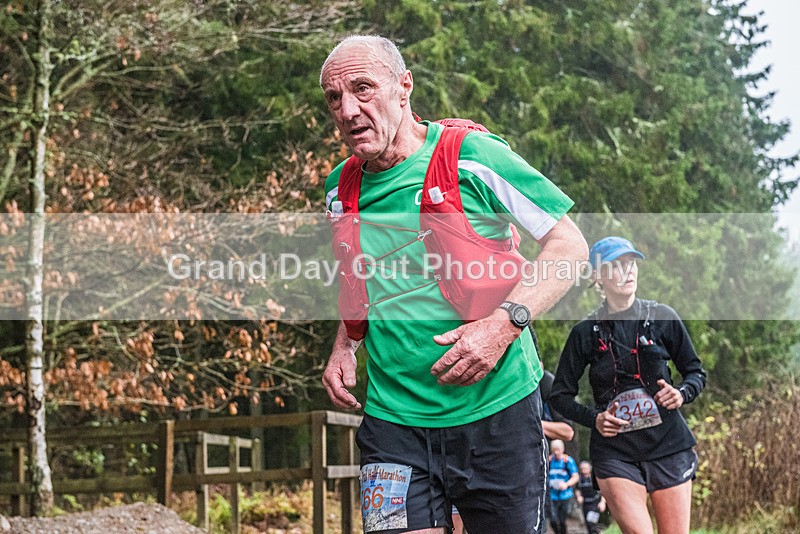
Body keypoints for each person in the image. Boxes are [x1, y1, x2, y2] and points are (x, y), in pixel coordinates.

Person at [320, 35, 588, 534]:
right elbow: (362, 275)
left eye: (362, 88)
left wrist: (503, 327)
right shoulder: (340, 188)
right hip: (393, 423)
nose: (347, 109)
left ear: (404, 89)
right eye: (334, 98)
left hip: (497, 414)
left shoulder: (473, 156)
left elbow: (569, 245)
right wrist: (344, 344)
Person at [550, 236, 707, 534]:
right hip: (615, 452)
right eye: (616, 266)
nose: (627, 271)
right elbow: (559, 396)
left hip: (669, 446)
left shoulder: (662, 317)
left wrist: (681, 394)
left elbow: (695, 372)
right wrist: (594, 419)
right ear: (597, 276)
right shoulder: (584, 333)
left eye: (631, 264)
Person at [547, 439, 579, 534]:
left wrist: (567, 484)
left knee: (562, 521)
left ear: (562, 449)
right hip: (552, 495)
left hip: (565, 495)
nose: (556, 452)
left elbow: (575, 476)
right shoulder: (549, 460)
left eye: (558, 450)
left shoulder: (567, 461)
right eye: (554, 450)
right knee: (552, 520)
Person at [575, 461, 606, 534]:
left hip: (595, 503)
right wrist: (579, 496)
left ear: (589, 469)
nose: (584, 470)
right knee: (588, 524)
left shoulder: (595, 478)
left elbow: (603, 490)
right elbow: (577, 489)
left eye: (585, 468)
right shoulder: (579, 479)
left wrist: (602, 502)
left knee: (591, 521)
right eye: (582, 469)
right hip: (585, 503)